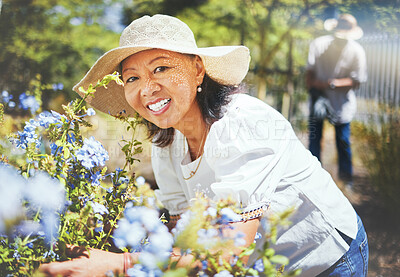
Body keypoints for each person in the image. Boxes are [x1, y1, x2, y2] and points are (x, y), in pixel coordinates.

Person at [40, 14, 368, 276]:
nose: (147, 88)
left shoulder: (242, 122)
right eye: (132, 78)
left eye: (161, 68)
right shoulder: (167, 142)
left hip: (324, 258)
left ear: (198, 71)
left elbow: (227, 250)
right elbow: (185, 238)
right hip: (263, 267)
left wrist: (120, 264)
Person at [306, 14, 368, 187]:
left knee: (343, 141)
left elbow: (356, 81)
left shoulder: (357, 51)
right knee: (314, 139)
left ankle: (346, 179)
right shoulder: (319, 45)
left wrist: (331, 84)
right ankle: (313, 178)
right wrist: (316, 88)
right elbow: (309, 74)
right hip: (318, 99)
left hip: (342, 103)